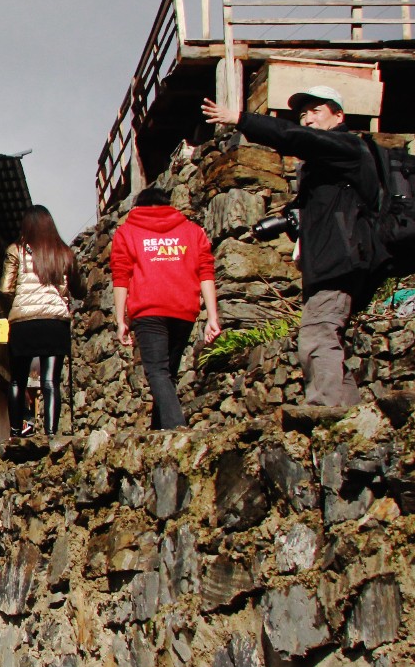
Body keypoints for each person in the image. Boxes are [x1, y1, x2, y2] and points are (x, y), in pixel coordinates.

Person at [202, 85, 377, 409]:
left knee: (316, 335)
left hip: (341, 259)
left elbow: (296, 138)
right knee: (328, 338)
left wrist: (240, 118)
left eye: (316, 111)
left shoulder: (345, 145)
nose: (307, 118)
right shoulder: (326, 166)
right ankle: (352, 416)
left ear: (338, 115)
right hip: (330, 260)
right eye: (302, 113)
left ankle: (325, 414)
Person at [109, 186, 221, 429]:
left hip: (149, 309)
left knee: (158, 372)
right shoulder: (192, 231)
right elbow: (206, 272)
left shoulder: (127, 233)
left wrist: (120, 319)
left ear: (138, 207)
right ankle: (158, 429)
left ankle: (175, 429)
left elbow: (121, 276)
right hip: (184, 309)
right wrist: (212, 316)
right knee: (167, 373)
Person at [0, 205, 85, 436]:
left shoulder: (16, 250)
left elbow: (5, 289)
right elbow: (80, 289)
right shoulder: (64, 253)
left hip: (23, 323)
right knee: (50, 381)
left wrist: (13, 311)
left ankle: (16, 431)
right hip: (55, 322)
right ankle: (51, 433)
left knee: (17, 379)